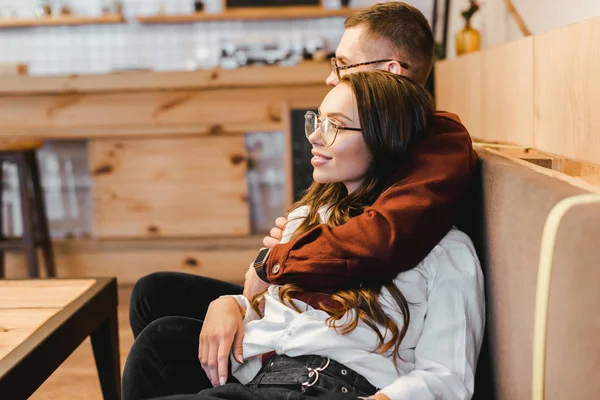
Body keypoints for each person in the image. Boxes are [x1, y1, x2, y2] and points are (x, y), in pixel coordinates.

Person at [122, 71, 485, 400]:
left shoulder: (447, 252)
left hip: (329, 384)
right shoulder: (313, 215)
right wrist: (233, 304)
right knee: (157, 345)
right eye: (318, 120)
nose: (314, 135)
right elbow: (281, 311)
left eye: (336, 126)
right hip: (264, 373)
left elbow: (447, 377)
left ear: (384, 140)